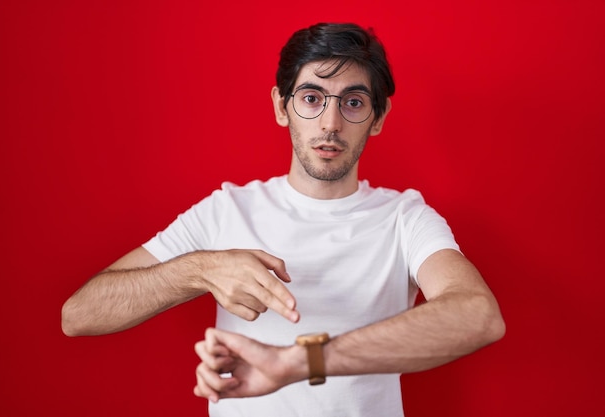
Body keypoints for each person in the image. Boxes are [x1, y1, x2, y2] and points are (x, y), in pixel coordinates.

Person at [62, 22, 505, 417]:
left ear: (378, 118)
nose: (330, 123)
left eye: (353, 102)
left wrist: (299, 362)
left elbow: (478, 315)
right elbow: (79, 314)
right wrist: (199, 269)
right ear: (281, 106)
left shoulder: (405, 218)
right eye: (312, 98)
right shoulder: (227, 210)